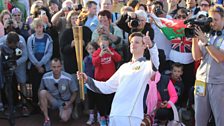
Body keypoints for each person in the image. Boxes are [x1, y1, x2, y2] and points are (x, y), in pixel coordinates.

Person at [77, 31, 159, 126]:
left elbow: (156, 64)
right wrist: (87, 80)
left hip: (131, 116)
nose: (133, 44)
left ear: (144, 46)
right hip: (115, 114)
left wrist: (152, 46)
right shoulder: (124, 67)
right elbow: (107, 87)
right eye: (131, 42)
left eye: (137, 42)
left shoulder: (146, 65)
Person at [192, 4, 224, 126]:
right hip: (201, 81)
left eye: (216, 19)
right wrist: (195, 39)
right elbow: (196, 57)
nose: (212, 23)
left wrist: (205, 42)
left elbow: (219, 57)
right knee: (199, 119)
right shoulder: (207, 33)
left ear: (223, 19)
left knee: (220, 119)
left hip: (218, 83)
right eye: (211, 19)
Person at [92, 34, 122, 126]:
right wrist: (100, 55)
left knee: (110, 100)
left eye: (106, 45)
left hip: (111, 81)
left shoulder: (111, 51)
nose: (104, 47)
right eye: (103, 45)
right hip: (100, 81)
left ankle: (109, 116)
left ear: (109, 44)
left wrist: (111, 53)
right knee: (101, 101)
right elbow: (94, 63)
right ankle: (102, 117)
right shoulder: (96, 53)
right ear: (99, 44)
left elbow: (118, 59)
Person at [38, 58, 78, 126]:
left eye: (58, 66)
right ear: (50, 67)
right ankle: (47, 119)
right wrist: (40, 101)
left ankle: (67, 110)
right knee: (42, 93)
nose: (56, 69)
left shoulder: (68, 77)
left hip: (65, 102)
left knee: (64, 118)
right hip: (53, 100)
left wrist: (69, 102)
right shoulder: (45, 77)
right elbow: (40, 90)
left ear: (61, 67)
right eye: (54, 67)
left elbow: (75, 92)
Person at [27, 18, 53, 105]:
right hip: (34, 67)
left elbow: (49, 53)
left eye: (40, 27)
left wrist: (41, 64)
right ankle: (35, 105)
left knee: (45, 86)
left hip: (45, 66)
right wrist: (37, 65)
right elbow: (30, 53)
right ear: (34, 28)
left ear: (43, 27)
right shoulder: (31, 39)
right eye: (37, 27)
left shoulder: (48, 38)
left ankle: (45, 104)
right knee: (35, 86)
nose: (39, 29)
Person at [83, 42, 100, 125]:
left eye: (93, 48)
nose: (91, 50)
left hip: (98, 82)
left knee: (99, 100)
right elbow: (84, 70)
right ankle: (91, 117)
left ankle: (100, 116)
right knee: (91, 101)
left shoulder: (99, 58)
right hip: (89, 82)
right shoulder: (86, 59)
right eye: (89, 49)